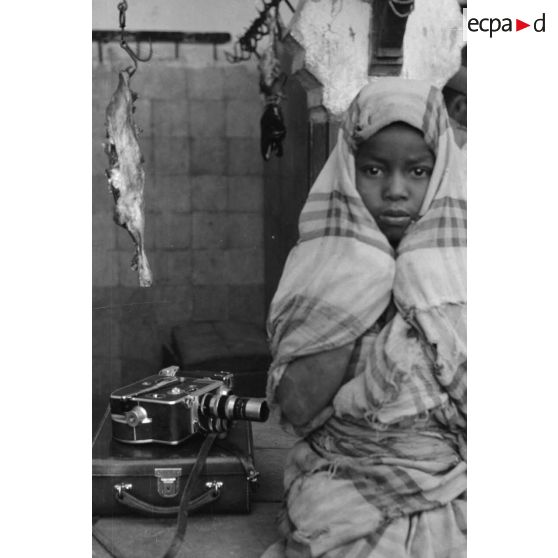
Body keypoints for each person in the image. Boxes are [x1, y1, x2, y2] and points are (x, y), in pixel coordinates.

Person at [262, 78, 466, 558]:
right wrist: (365, 280)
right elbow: (296, 408)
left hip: (451, 471)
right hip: (342, 471)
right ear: (349, 171)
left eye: (418, 172)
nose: (395, 191)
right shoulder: (319, 266)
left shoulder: (465, 271)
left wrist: (422, 283)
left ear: (441, 177)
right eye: (374, 169)